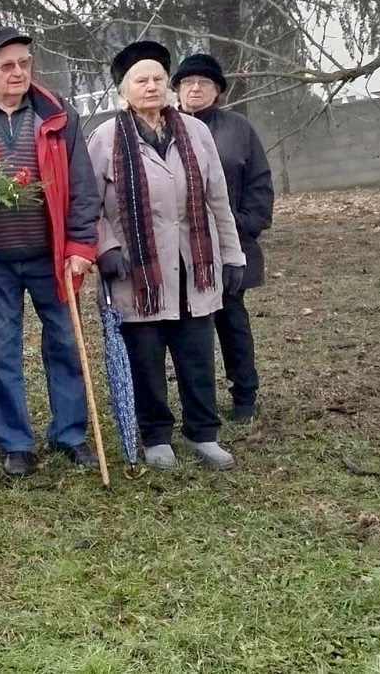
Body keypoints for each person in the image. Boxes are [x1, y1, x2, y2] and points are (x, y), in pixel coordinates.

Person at [0, 27, 101, 477]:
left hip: (50, 254)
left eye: (24, 63)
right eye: (7, 65)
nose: (18, 73)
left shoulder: (57, 113)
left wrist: (80, 245)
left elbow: (83, 188)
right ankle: (15, 443)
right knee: (0, 350)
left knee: (66, 342)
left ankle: (70, 434)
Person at [87, 41, 246, 471]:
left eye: (159, 78)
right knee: (146, 355)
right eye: (142, 80)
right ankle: (156, 436)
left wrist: (232, 255)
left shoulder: (195, 133)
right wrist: (106, 247)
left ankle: (203, 433)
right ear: (124, 89)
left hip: (195, 261)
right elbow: (90, 205)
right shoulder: (104, 139)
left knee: (196, 351)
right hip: (138, 269)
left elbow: (218, 198)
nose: (152, 86)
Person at [173, 53, 273, 423]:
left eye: (204, 83)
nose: (195, 89)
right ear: (178, 90)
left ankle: (244, 393)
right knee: (189, 330)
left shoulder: (238, 129)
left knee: (231, 322)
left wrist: (245, 225)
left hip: (233, 245)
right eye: (187, 83)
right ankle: (198, 401)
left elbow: (260, 185)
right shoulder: (166, 129)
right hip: (183, 248)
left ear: (217, 91)